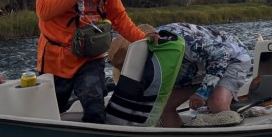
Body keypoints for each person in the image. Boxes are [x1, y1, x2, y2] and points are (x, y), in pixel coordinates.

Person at [108, 22, 252, 127]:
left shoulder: (183, 39)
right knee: (163, 107)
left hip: (232, 58)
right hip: (195, 71)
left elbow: (222, 56)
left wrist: (203, 92)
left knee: (217, 104)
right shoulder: (149, 58)